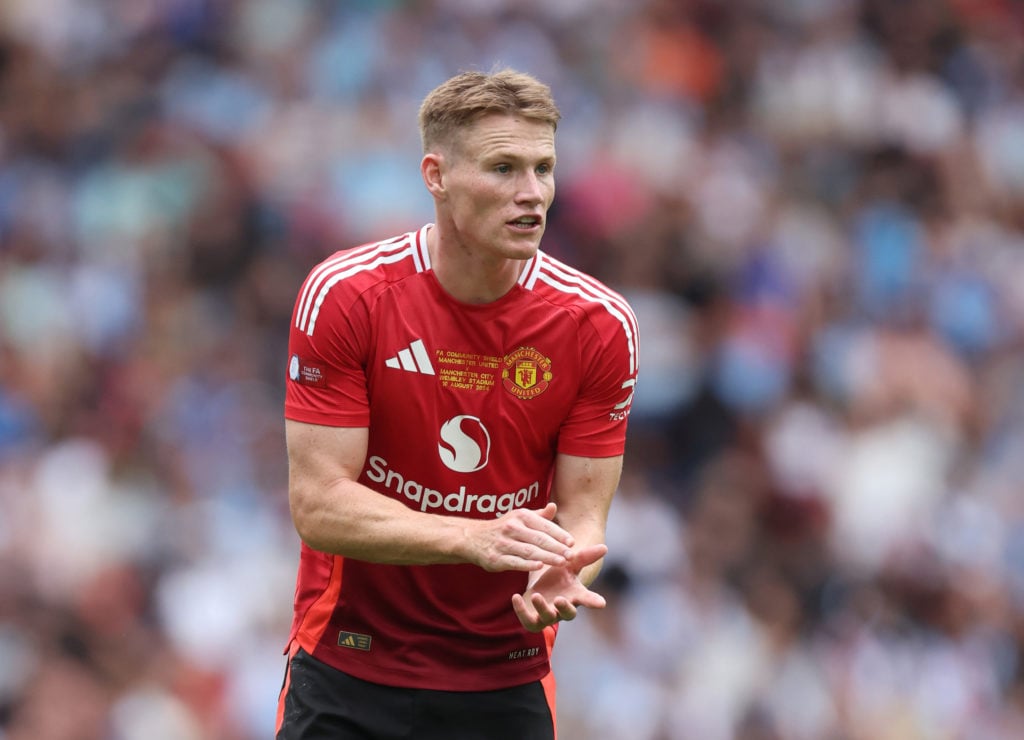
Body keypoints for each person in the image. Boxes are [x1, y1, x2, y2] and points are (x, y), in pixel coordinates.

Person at [276, 68, 640, 740]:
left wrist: (563, 564)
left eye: (543, 168)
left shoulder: (597, 325)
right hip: (348, 666)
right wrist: (473, 538)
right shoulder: (348, 296)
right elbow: (319, 504)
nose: (531, 194)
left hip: (503, 677)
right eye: (503, 168)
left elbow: (585, 511)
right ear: (435, 176)